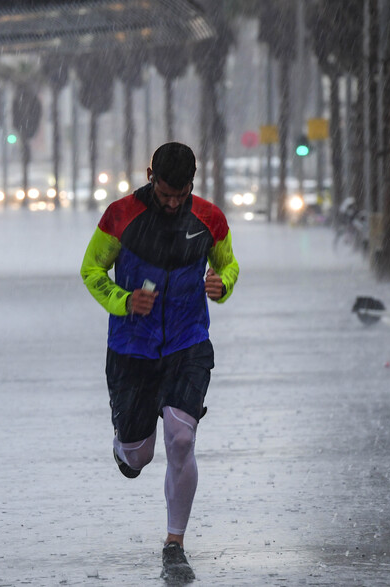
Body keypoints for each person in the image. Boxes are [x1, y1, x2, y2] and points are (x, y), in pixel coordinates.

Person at [80, 142, 239, 581]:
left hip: (188, 344)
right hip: (131, 348)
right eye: (165, 193)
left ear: (193, 182)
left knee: (182, 439)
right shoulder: (120, 216)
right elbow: (91, 272)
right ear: (150, 175)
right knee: (138, 458)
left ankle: (175, 545)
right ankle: (124, 447)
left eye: (180, 194)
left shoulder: (210, 219)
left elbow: (229, 267)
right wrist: (124, 299)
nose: (172, 203)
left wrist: (221, 284)